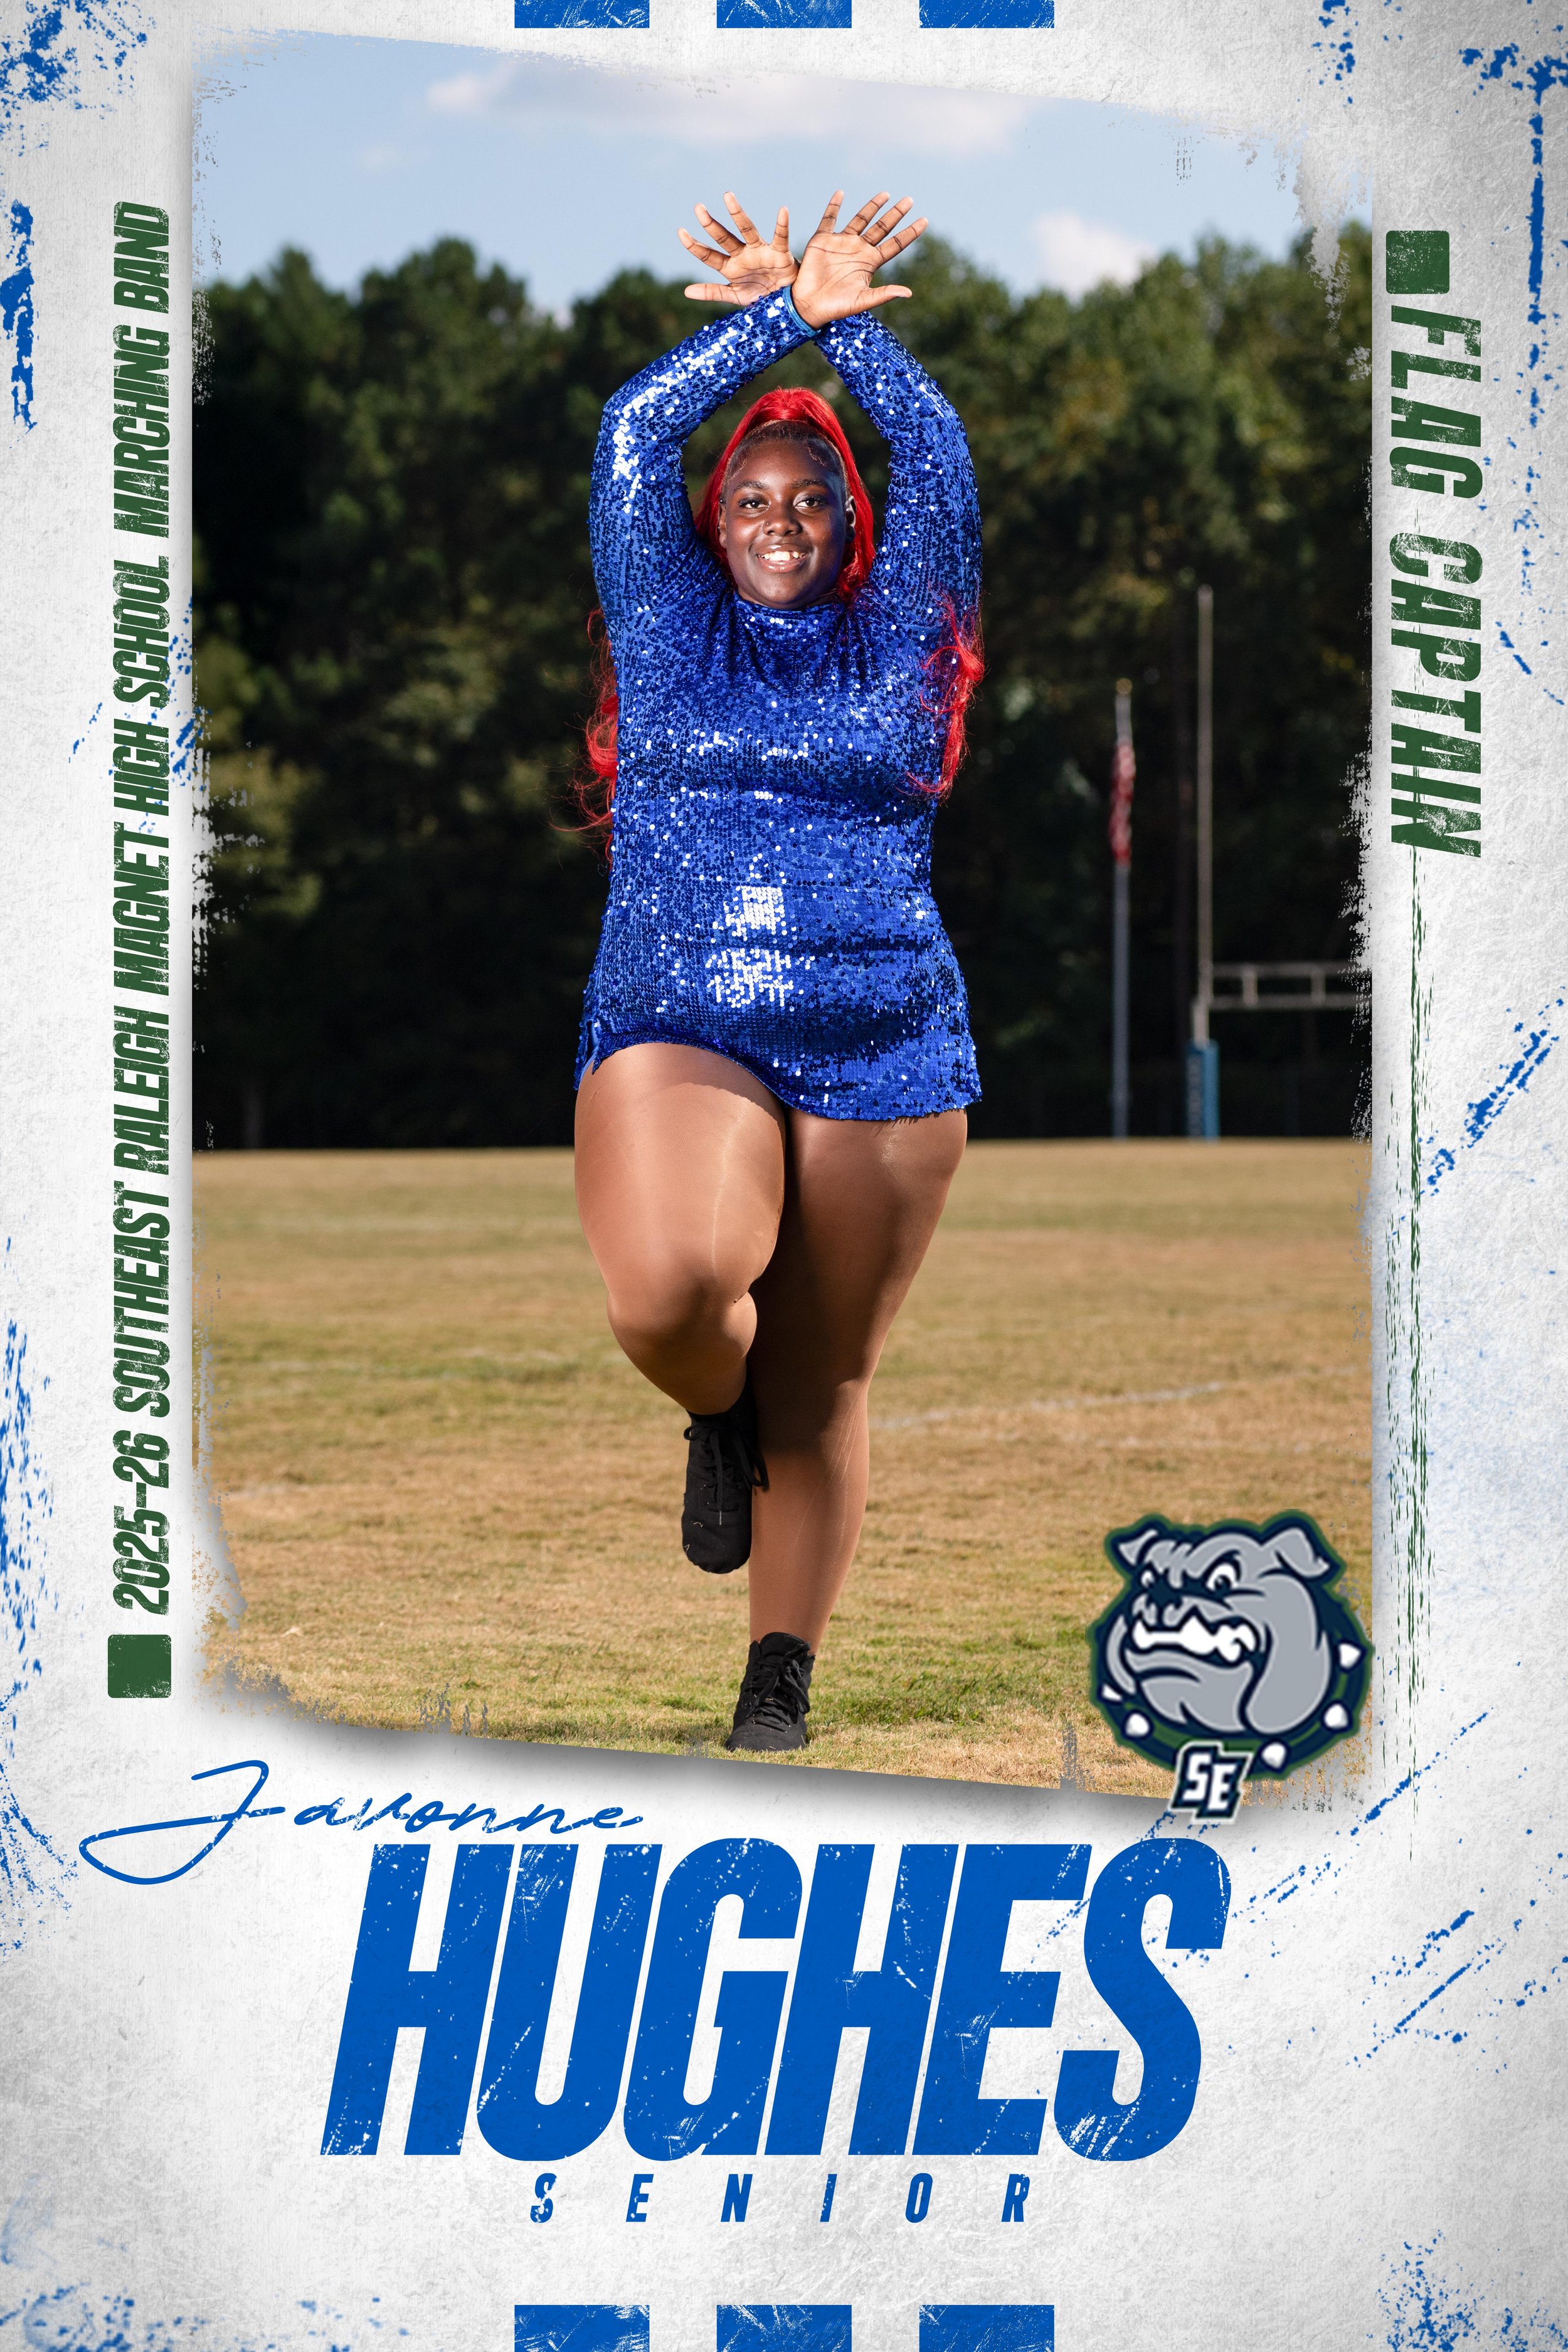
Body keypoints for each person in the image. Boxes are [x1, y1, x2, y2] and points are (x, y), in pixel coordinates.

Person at [573, 188, 982, 1754]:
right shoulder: (670, 627)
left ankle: (775, 1689)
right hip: (680, 1023)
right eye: (751, 495)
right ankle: (706, 1403)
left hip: (885, 1043)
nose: (780, 519)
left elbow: (934, 453)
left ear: (849, 519)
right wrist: (778, 321)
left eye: (809, 495)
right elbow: (627, 431)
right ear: (712, 518)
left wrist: (849, 330)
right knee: (676, 1290)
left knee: (822, 1387)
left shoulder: (900, 631)